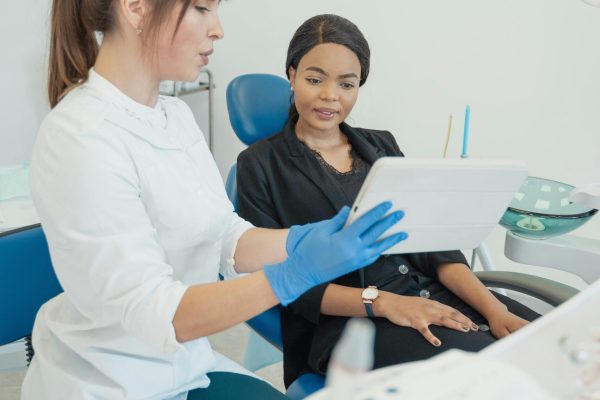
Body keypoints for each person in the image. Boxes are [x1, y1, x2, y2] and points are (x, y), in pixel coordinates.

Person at [21, 2, 408, 399]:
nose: (218, 29)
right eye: (202, 8)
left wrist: (297, 241)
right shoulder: (81, 137)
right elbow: (157, 314)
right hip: (110, 382)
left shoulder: (174, 116)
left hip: (186, 367)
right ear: (136, 7)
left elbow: (226, 234)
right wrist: (294, 274)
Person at [236, 13, 541, 388]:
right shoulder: (259, 165)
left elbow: (435, 250)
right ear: (292, 73)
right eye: (315, 79)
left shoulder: (381, 145)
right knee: (491, 379)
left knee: (548, 346)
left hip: (432, 292)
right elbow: (282, 281)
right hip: (349, 324)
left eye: (346, 84)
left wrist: (495, 310)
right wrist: (383, 302)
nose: (330, 95)